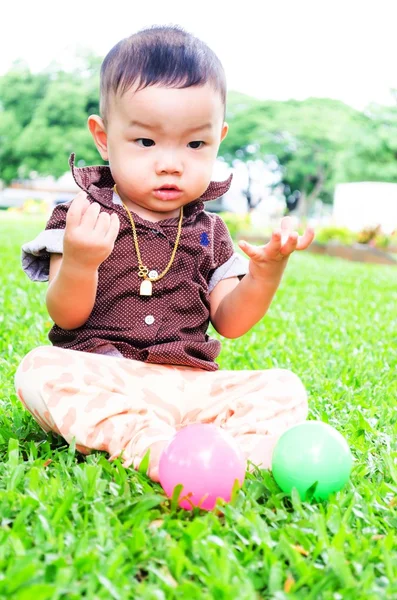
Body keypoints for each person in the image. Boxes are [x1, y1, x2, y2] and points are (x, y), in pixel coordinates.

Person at [14, 26, 314, 482]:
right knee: (40, 369)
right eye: (146, 142)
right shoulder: (82, 218)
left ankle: (228, 453)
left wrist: (266, 274)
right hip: (109, 377)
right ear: (103, 135)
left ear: (219, 138)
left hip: (190, 386)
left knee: (283, 387)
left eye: (195, 144)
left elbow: (230, 322)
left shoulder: (210, 231)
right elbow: (67, 316)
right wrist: (79, 261)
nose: (171, 162)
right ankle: (148, 444)